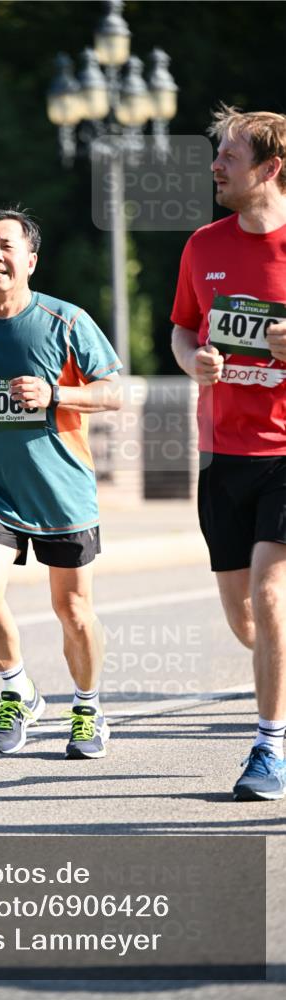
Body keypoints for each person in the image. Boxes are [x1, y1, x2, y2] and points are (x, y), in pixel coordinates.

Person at [0, 208, 122, 757]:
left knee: (73, 611)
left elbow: (113, 390)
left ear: (31, 261)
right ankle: (18, 691)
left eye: (6, 246)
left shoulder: (65, 321)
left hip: (62, 490)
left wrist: (56, 395)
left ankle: (87, 708)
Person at [170, 105, 286, 801]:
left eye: (228, 156)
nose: (214, 165)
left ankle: (268, 749)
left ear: (270, 168)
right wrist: (194, 363)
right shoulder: (202, 248)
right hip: (220, 455)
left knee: (269, 597)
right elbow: (182, 330)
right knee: (244, 621)